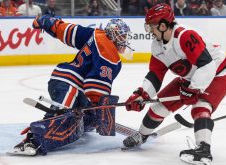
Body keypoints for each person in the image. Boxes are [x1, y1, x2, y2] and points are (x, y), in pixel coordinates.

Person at [122, 3, 226, 165]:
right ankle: (142, 135)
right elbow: (155, 75)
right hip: (191, 76)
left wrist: (193, 89)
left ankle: (204, 150)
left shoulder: (185, 36)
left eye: (152, 26)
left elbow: (207, 65)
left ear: (164, 25)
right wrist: (142, 94)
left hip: (217, 73)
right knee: (160, 106)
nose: (149, 30)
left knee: (200, 107)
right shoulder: (157, 46)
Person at [8, 15, 133, 156]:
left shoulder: (95, 34)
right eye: (122, 36)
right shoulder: (109, 51)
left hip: (71, 82)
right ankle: (33, 140)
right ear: (113, 35)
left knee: (85, 114)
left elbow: (69, 31)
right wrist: (99, 107)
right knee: (62, 114)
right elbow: (96, 83)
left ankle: (85, 119)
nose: (124, 40)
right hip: (68, 82)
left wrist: (49, 23)